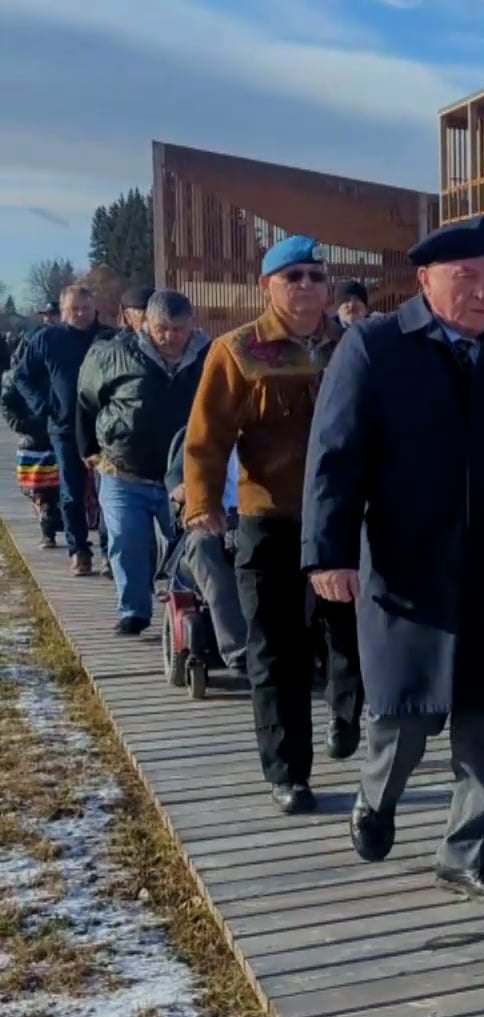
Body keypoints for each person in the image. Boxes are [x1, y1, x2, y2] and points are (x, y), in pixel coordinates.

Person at [303, 213, 484, 905]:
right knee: (405, 716)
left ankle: (468, 847)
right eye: (469, 279)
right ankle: (377, 798)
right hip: (408, 573)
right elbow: (334, 459)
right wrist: (328, 554)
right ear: (426, 280)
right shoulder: (374, 348)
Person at [183, 236, 365, 814]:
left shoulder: (354, 344)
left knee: (352, 632)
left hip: (340, 517)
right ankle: (288, 771)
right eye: (295, 277)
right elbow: (207, 438)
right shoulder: (238, 351)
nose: (308, 286)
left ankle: (346, 714)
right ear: (267, 286)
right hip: (271, 515)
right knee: (276, 649)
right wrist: (202, 501)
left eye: (316, 275)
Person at [75, 290, 210, 634]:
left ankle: (186, 609)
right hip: (124, 470)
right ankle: (133, 610)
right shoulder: (113, 354)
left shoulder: (210, 356)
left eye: (179, 329)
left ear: (192, 325)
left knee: (189, 543)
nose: (170, 337)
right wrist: (87, 448)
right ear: (145, 323)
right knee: (126, 541)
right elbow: (86, 400)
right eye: (162, 328)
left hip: (183, 475)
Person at [14, 285, 101, 575]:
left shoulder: (107, 338)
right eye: (73, 309)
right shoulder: (48, 339)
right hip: (64, 426)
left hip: (105, 427)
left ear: (93, 309)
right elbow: (23, 377)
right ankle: (79, 550)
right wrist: (42, 405)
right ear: (63, 312)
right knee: (72, 491)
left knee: (109, 492)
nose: (79, 314)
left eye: (84, 309)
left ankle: (112, 551)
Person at [165, 431, 246, 671]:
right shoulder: (204, 429)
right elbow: (176, 484)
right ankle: (239, 650)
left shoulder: (280, 426)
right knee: (203, 545)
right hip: (214, 521)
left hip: (263, 519)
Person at [1, 364, 63, 550]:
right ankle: (50, 528)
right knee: (43, 490)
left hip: (42, 437)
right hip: (40, 438)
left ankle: (49, 529)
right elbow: (7, 402)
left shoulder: (16, 374)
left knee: (45, 490)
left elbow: (6, 402)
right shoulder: (52, 366)